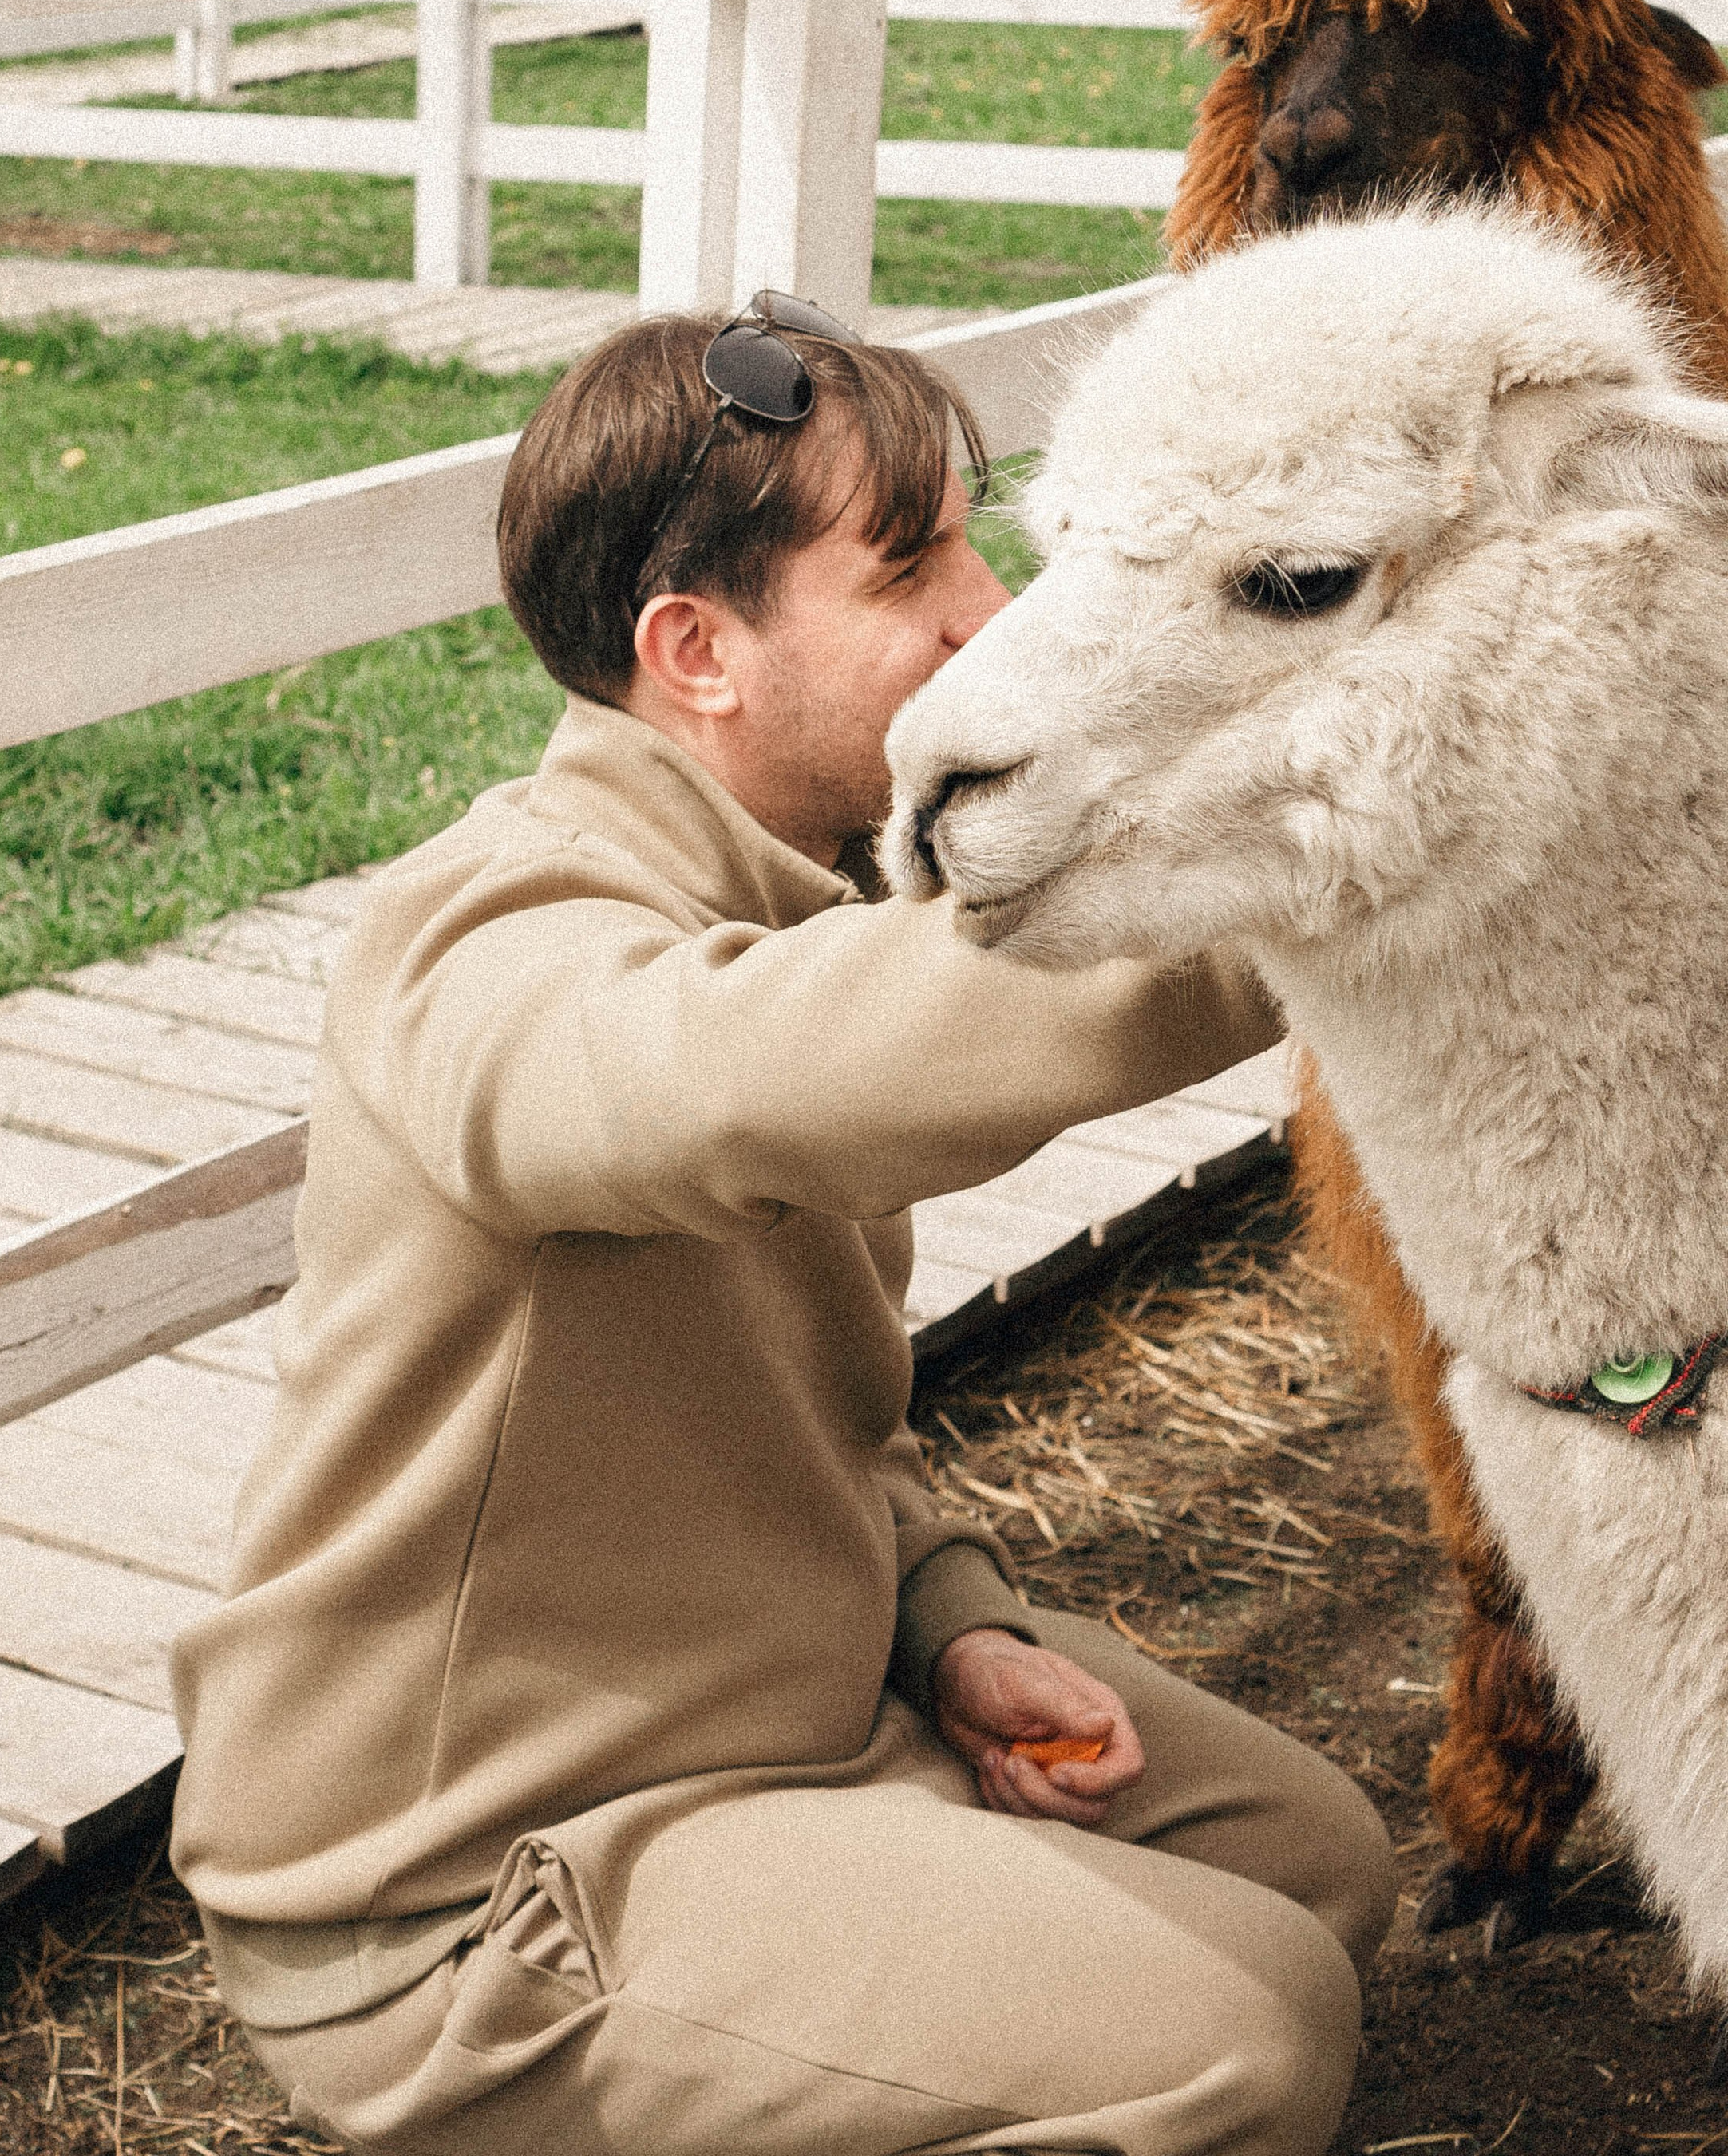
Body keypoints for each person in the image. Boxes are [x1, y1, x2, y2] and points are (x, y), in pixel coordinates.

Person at [171, 295, 1398, 2156]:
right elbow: (732, 1075)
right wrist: (1295, 873)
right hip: (466, 1897)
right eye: (907, 563)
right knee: (1244, 2035)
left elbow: (818, 1419)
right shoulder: (482, 943)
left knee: (1308, 1864)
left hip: (774, 1741)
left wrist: (953, 1624)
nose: (982, 607)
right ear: (695, 652)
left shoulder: (809, 892)